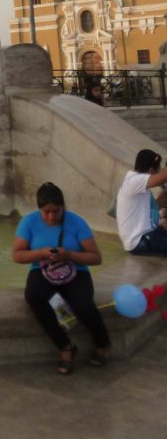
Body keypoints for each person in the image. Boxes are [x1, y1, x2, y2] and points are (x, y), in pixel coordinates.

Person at [12, 182, 111, 373]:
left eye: (56, 211)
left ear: (63, 207)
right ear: (39, 209)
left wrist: (70, 255)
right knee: (34, 296)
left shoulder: (77, 222)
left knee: (83, 305)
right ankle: (65, 347)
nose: (51, 216)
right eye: (46, 212)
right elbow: (17, 255)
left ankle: (103, 343)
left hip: (76, 271)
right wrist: (41, 253)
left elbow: (96, 258)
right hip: (42, 270)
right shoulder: (28, 222)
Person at [116, 149, 167, 256]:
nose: (160, 170)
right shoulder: (135, 181)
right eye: (159, 168)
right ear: (151, 170)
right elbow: (163, 177)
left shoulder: (135, 181)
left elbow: (156, 205)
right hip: (140, 241)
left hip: (148, 235)